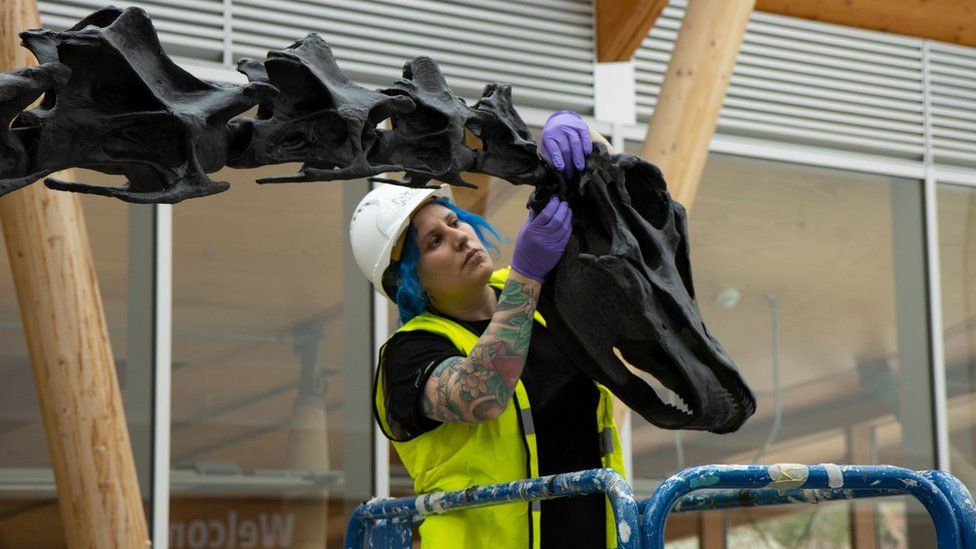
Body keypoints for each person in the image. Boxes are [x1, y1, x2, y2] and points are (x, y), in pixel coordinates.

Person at [349, 110, 625, 549]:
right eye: (433, 242)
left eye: (454, 222)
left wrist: (579, 136)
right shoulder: (409, 353)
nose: (459, 237)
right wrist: (529, 275)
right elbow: (482, 395)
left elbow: (614, 221)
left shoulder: (538, 299)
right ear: (408, 281)